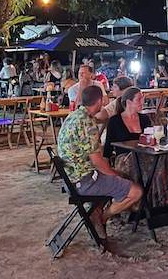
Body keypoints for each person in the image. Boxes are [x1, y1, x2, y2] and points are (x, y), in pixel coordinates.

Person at [56, 85, 142, 247]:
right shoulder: (88, 124)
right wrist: (113, 174)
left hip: (71, 176)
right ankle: (101, 217)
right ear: (100, 101)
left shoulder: (73, 116)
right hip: (84, 181)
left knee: (122, 175)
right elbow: (97, 162)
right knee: (136, 191)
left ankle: (97, 211)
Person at [105, 88, 168, 206]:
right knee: (143, 163)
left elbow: (152, 139)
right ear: (129, 102)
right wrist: (108, 172)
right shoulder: (115, 121)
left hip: (145, 154)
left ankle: (167, 196)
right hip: (125, 158)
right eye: (139, 99)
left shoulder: (144, 119)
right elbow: (107, 150)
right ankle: (154, 199)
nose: (142, 102)